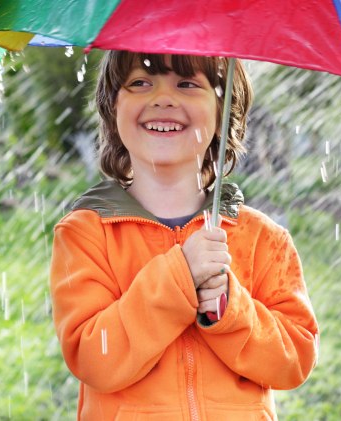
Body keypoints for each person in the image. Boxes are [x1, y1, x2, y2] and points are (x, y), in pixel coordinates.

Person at [49, 51, 318, 420]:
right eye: (140, 83)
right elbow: (95, 359)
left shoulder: (263, 239)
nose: (163, 98)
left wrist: (230, 308)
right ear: (112, 107)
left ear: (223, 112)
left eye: (188, 83)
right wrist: (179, 278)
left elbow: (294, 360)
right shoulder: (86, 233)